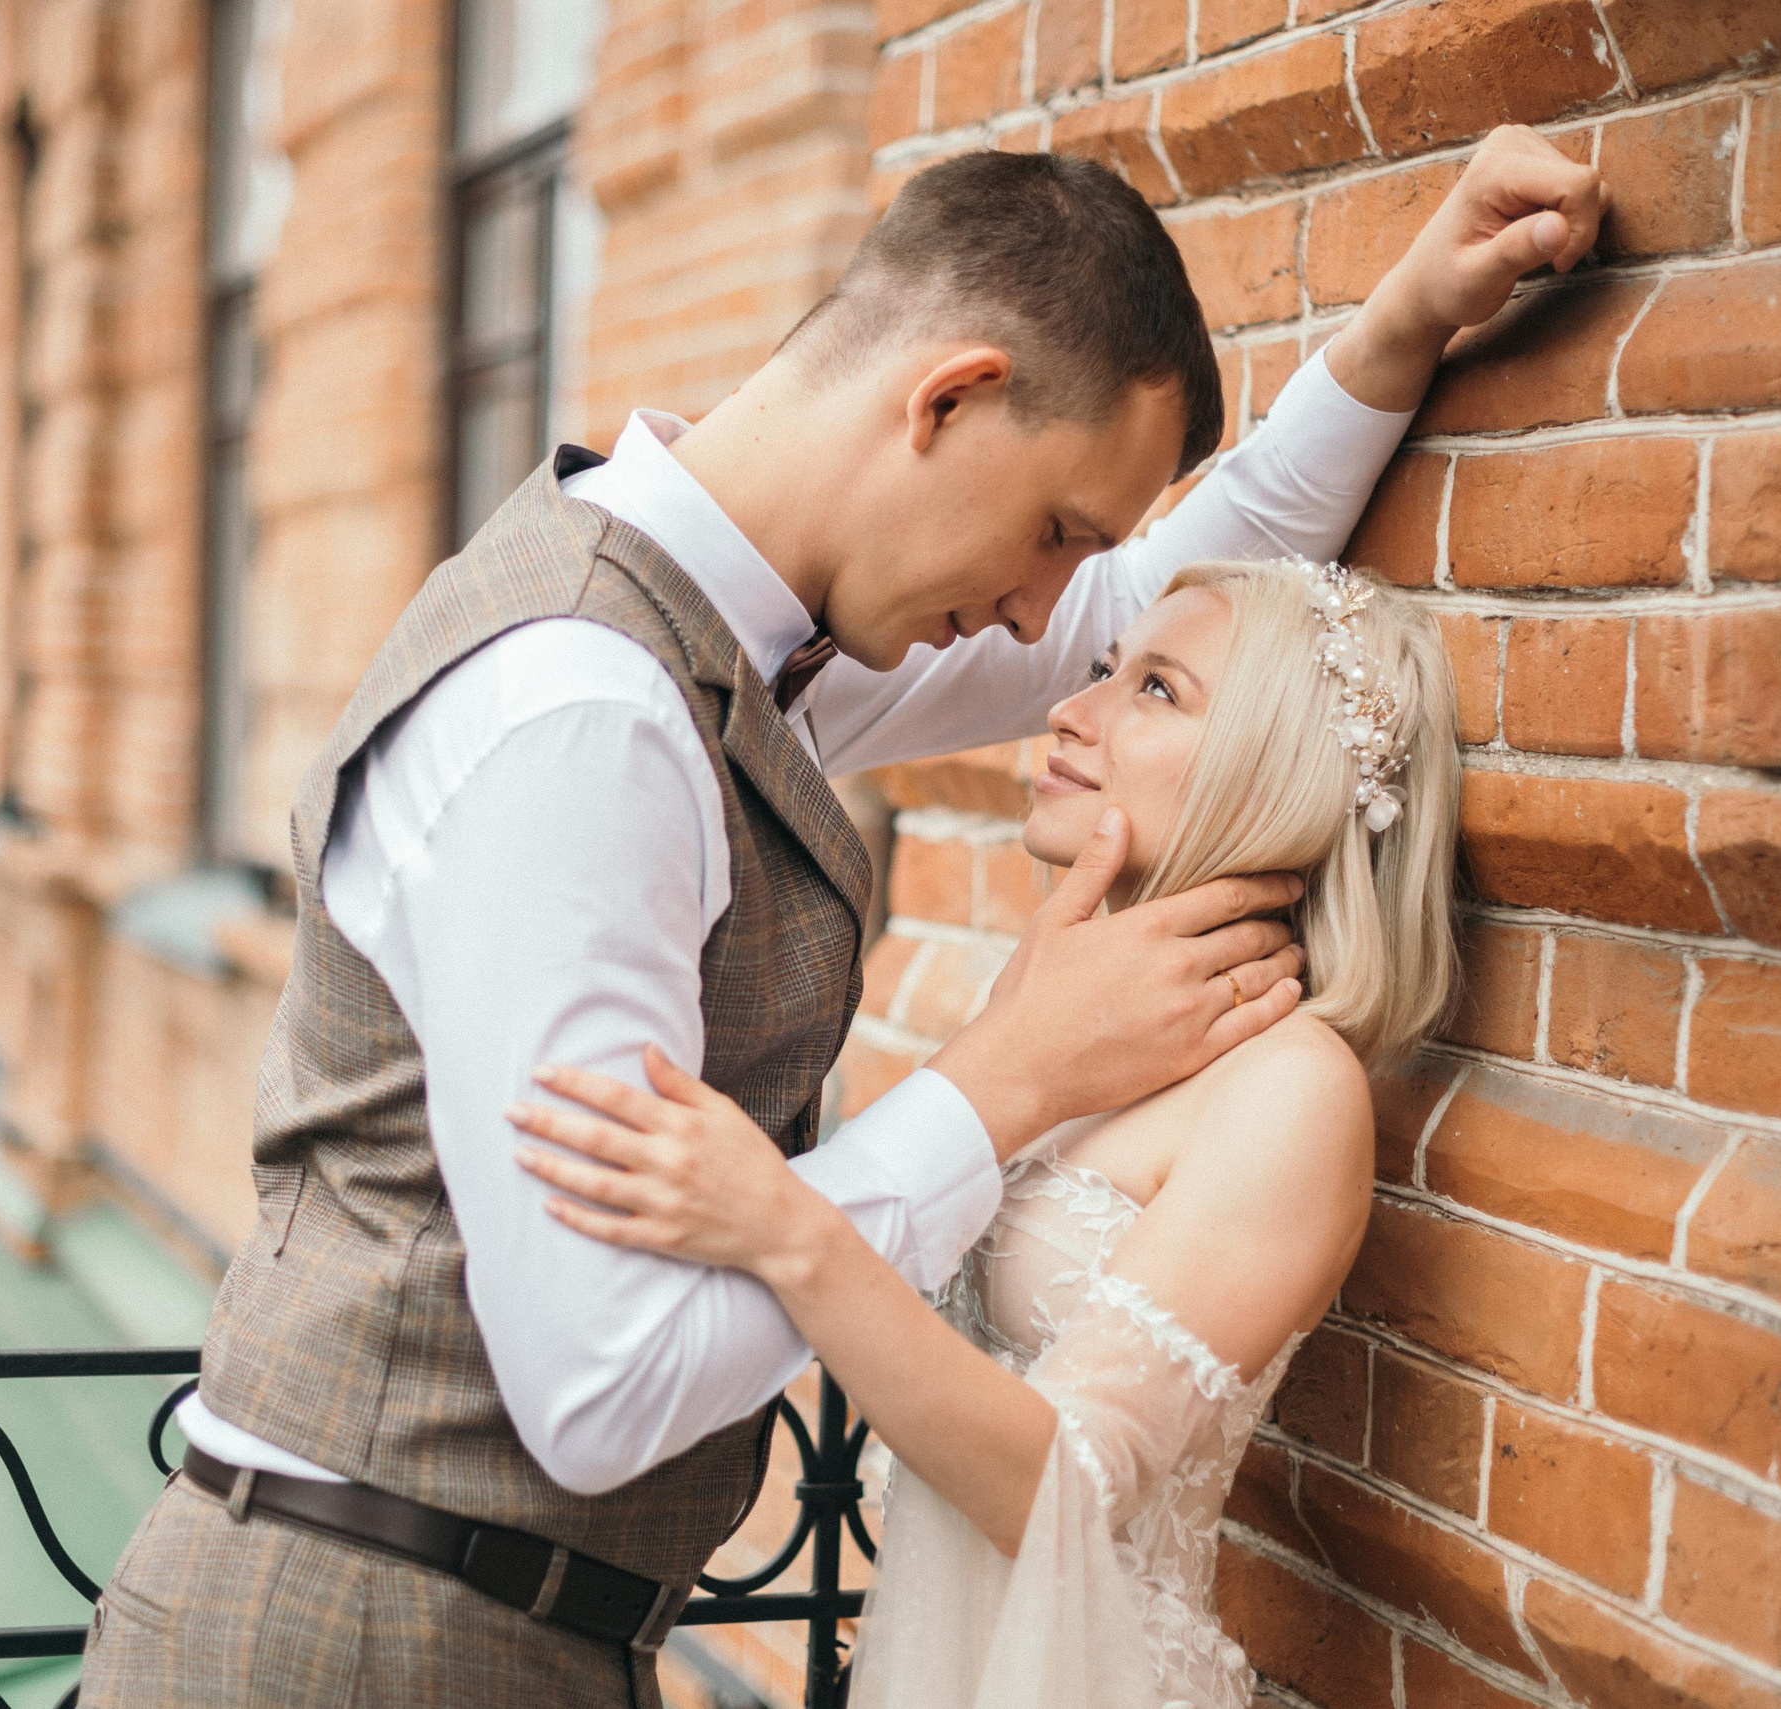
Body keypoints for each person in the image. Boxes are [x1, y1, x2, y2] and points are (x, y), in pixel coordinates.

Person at [79, 126, 1604, 1709]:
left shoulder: (744, 646)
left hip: (487, 1621)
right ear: (947, 399)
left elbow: (1192, 629)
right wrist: (1009, 1077)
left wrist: (1401, 328)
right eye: (1058, 530)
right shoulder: (586, 715)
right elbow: (601, 1390)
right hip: (369, 1641)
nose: (1045, 620)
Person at [509, 556, 1460, 1708]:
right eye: (1108, 667)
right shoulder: (1081, 1024)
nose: (1071, 706)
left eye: (1157, 690)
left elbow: (1059, 1482)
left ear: (1281, 772)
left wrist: (783, 1222)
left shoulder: (1291, 1088)